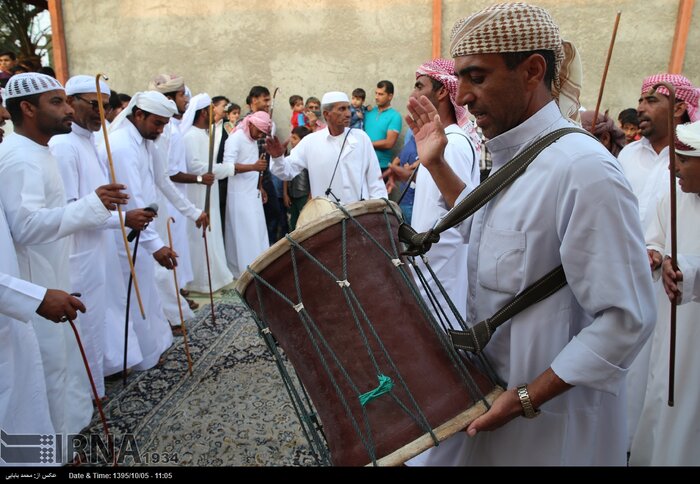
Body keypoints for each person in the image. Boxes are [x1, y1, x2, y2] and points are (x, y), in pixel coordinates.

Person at [405, 3, 655, 465]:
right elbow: (490, 224)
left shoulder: (583, 169)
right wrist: (436, 163)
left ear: (532, 71)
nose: (462, 97)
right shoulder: (520, 155)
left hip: (548, 429)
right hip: (490, 402)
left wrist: (526, 398)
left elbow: (627, 319)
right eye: (459, 78)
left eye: (476, 77)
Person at [0, 73, 129, 438]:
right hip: (31, 284)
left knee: (60, 367)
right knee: (45, 374)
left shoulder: (37, 151)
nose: (68, 108)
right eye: (56, 102)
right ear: (27, 109)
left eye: (66, 100)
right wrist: (92, 205)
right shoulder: (18, 159)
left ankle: (63, 439)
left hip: (50, 273)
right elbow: (24, 227)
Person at [49, 75, 153, 389]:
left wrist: (120, 214)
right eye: (92, 105)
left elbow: (97, 202)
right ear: (70, 102)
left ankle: (105, 370)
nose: (100, 112)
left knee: (108, 310)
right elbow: (69, 209)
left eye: (105, 106)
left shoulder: (91, 141)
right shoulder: (63, 146)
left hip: (100, 244)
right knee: (90, 319)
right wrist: (123, 219)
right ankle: (88, 388)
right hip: (78, 250)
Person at [101, 91, 206, 371]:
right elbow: (133, 201)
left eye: (164, 124)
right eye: (157, 123)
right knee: (134, 295)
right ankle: (134, 357)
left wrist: (193, 212)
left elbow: (162, 181)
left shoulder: (149, 141)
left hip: (146, 228)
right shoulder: (122, 146)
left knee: (147, 291)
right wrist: (155, 245)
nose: (161, 130)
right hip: (124, 234)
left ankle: (152, 347)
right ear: (138, 115)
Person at [387, 58, 480, 336]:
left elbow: (464, 210)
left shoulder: (454, 143)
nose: (413, 94)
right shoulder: (444, 139)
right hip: (429, 264)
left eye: (419, 85)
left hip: (442, 268)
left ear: (442, 91)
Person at [630, 120, 700, 465]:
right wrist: (657, 255)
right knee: (662, 397)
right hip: (671, 328)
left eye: (684, 160)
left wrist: (690, 271)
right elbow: (655, 238)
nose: (673, 168)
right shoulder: (672, 199)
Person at [266, 91, 387, 204]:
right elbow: (286, 171)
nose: (348, 114)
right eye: (342, 109)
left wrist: (379, 209)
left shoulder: (362, 138)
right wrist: (277, 158)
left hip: (360, 216)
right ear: (326, 114)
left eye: (348, 108)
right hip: (328, 219)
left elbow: (375, 180)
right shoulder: (310, 142)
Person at [617, 74, 698, 230]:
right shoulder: (628, 153)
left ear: (678, 108)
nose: (640, 109)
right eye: (640, 101)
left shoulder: (694, 162)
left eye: (651, 101)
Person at [181, 93, 234, 292]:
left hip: (209, 189)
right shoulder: (190, 136)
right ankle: (199, 280)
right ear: (203, 112)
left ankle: (214, 276)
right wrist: (228, 169)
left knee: (212, 231)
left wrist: (221, 169)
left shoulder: (205, 134)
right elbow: (195, 166)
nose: (215, 113)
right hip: (196, 192)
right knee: (198, 235)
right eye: (211, 109)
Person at [222, 111, 271, 277]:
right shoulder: (235, 138)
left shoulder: (253, 139)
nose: (261, 135)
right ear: (250, 124)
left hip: (253, 193)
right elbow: (227, 167)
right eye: (259, 131)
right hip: (239, 195)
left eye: (264, 133)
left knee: (257, 231)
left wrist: (260, 186)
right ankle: (245, 272)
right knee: (244, 233)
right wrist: (254, 167)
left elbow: (255, 167)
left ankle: (259, 268)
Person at [364, 80, 402, 173]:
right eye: (376, 93)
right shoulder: (368, 112)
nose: (376, 97)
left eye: (381, 94)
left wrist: (365, 144)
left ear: (390, 96)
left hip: (381, 166)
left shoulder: (395, 116)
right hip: (363, 164)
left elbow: (389, 143)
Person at [282, 125, 312, 231]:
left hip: (304, 195)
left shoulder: (308, 157)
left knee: (306, 222)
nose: (291, 141)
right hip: (292, 195)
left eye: (295, 138)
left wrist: (310, 196)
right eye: (291, 137)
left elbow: (312, 177)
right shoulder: (290, 155)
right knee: (293, 222)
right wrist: (285, 194)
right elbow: (285, 174)